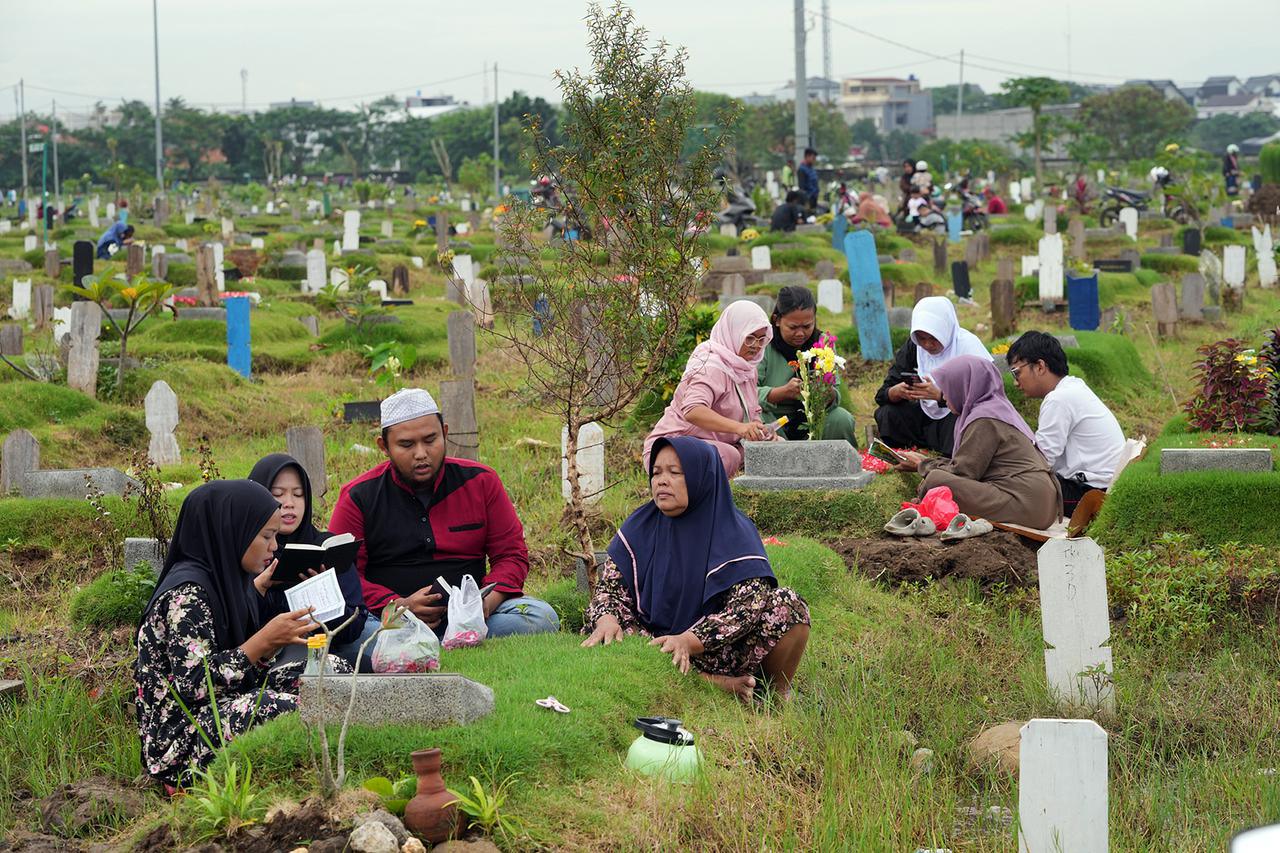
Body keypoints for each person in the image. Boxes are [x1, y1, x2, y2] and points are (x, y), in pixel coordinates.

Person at [134, 481, 338, 789]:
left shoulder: (225, 580)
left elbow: (239, 658)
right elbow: (194, 684)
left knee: (327, 671)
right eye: (266, 536)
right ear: (232, 533)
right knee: (275, 706)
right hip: (182, 740)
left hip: (225, 704)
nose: (274, 546)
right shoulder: (186, 595)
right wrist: (264, 640)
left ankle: (337, 751)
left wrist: (269, 640)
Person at [582, 437, 810, 702]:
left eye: (674, 472)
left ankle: (775, 694)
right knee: (615, 630)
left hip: (716, 648)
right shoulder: (639, 526)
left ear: (702, 477)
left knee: (788, 605)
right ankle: (710, 682)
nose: (662, 481)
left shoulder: (734, 531)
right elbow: (609, 590)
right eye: (656, 473)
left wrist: (689, 640)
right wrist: (606, 619)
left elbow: (747, 607)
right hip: (654, 641)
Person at [328, 388, 559, 637]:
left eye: (430, 440)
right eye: (406, 444)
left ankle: (427, 645)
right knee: (351, 631)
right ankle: (442, 641)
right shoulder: (358, 496)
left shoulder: (481, 482)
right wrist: (400, 606)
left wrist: (483, 605)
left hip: (473, 615)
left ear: (445, 433)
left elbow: (511, 555)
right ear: (384, 446)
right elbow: (342, 575)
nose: (421, 454)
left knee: (541, 616)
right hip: (391, 619)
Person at [894, 356, 1060, 528]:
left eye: (949, 388)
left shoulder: (985, 419)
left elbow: (962, 472)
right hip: (1038, 504)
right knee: (937, 479)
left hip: (1026, 504)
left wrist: (922, 465)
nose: (943, 395)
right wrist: (926, 463)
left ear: (964, 387)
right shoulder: (996, 409)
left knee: (936, 480)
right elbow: (967, 466)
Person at [247, 454, 378, 671]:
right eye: (277, 494)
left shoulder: (326, 547)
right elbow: (237, 625)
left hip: (332, 651)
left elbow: (353, 628)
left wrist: (324, 600)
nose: (289, 503)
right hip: (267, 659)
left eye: (298, 495)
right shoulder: (247, 553)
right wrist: (259, 589)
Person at [644, 300, 777, 477]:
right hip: (672, 447)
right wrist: (740, 428)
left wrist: (760, 431)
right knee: (729, 455)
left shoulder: (746, 368)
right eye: (750, 338)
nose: (756, 346)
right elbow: (693, 410)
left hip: (719, 445)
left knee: (775, 447)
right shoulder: (711, 365)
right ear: (734, 332)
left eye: (761, 339)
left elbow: (752, 413)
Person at [1005, 332, 1125, 514]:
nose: (1015, 383)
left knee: (1015, 483)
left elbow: (1041, 460)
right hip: (1103, 485)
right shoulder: (1072, 387)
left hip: (1091, 492)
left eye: (1016, 372)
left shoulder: (1059, 399)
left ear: (1040, 366)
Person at [874, 296, 992, 456]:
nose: (927, 344)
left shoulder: (968, 346)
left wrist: (941, 396)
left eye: (934, 338)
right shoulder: (915, 347)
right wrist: (895, 392)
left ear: (946, 330)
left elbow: (986, 397)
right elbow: (883, 393)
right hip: (925, 416)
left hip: (953, 418)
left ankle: (949, 451)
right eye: (922, 338)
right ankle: (917, 446)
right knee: (887, 413)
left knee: (966, 423)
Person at [757, 285, 857, 445]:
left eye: (807, 326)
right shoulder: (762, 344)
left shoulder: (823, 343)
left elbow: (835, 394)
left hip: (814, 417)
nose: (800, 333)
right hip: (773, 419)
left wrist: (827, 392)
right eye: (793, 327)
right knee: (756, 419)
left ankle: (838, 460)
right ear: (777, 320)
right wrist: (781, 393)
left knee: (841, 418)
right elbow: (747, 395)